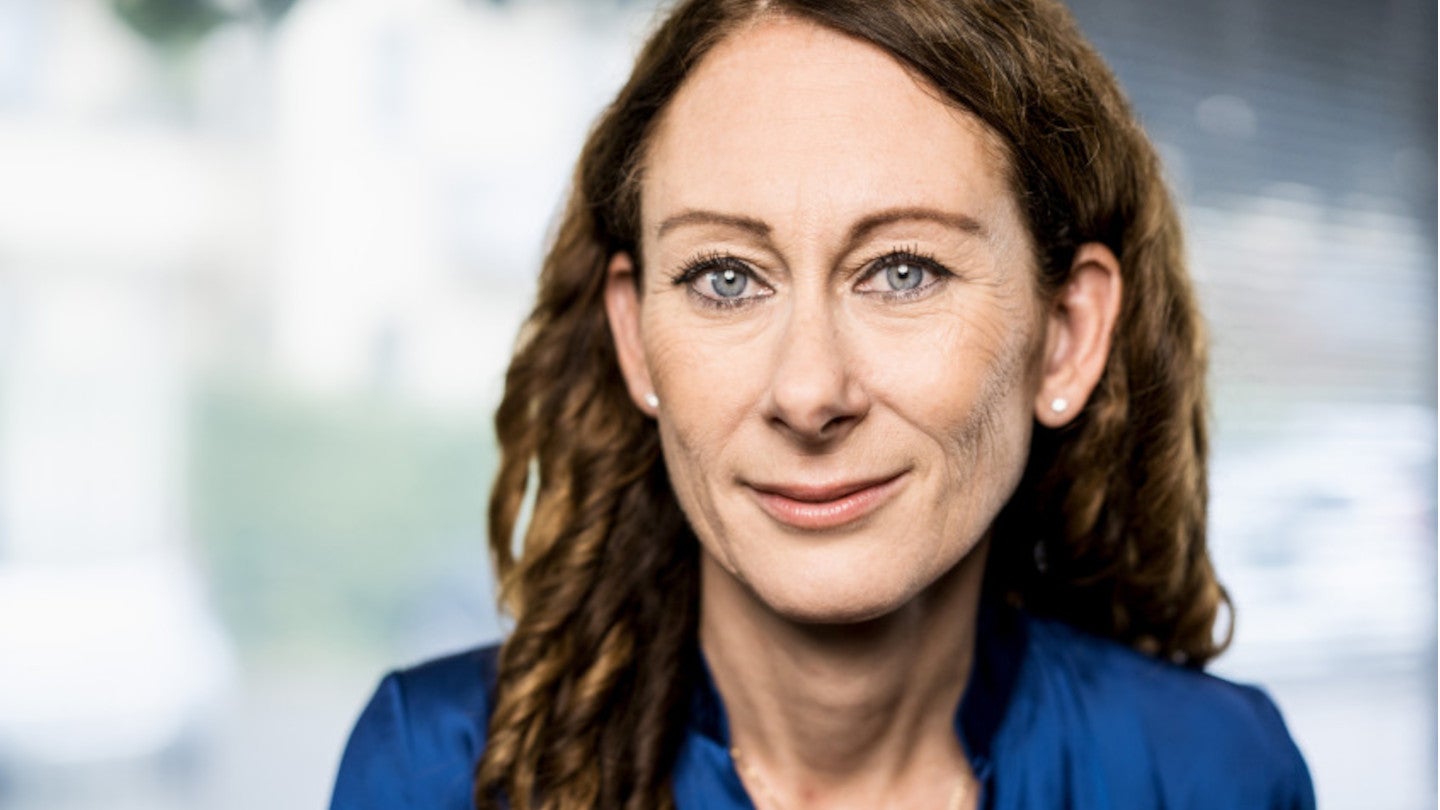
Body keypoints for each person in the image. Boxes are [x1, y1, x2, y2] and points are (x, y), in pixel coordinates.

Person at [330, 1, 1315, 808]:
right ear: (635, 338)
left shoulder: (1216, 775)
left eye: (903, 270)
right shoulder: (436, 772)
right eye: (724, 277)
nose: (808, 394)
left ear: (1066, 336)